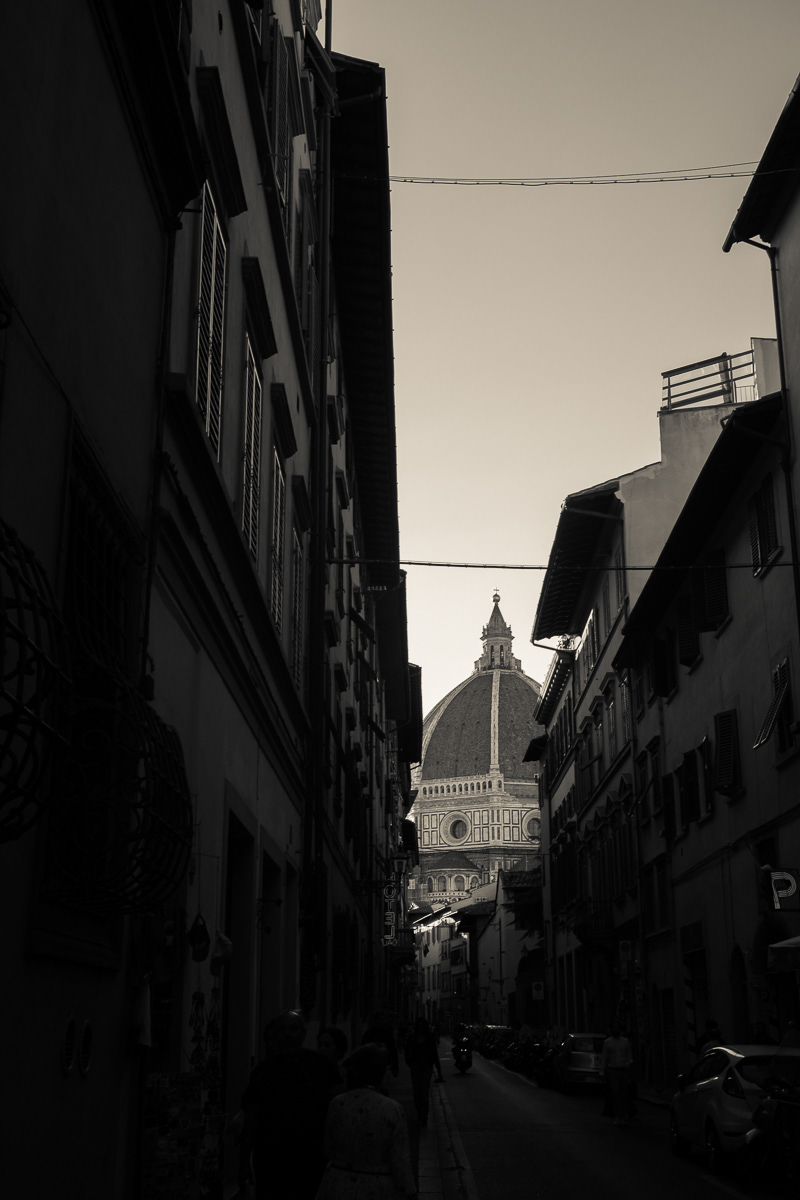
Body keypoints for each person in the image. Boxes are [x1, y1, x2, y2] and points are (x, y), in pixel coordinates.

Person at [238, 1010, 342, 1198]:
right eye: (283, 1029)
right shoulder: (262, 1072)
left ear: (303, 1034)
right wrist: (244, 1161)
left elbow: (338, 1108)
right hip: (271, 1161)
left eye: (293, 1029)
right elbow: (252, 1118)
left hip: (310, 1159)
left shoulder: (321, 1065)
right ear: (276, 1034)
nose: (287, 1034)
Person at [315, 1044, 417, 1199]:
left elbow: (328, 1148)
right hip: (377, 1187)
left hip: (338, 1184)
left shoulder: (337, 1103)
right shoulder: (392, 1109)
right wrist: (410, 1192)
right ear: (381, 1072)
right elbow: (400, 1160)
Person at [404, 1017, 442, 1126]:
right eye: (419, 1026)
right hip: (416, 1067)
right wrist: (410, 1063)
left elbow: (434, 1054)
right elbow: (407, 1051)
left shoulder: (429, 1038)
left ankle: (423, 1115)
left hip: (426, 1067)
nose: (420, 1028)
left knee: (424, 1092)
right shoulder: (412, 1038)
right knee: (417, 1093)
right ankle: (420, 1112)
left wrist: (438, 1070)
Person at [599, 1020, 634, 1127]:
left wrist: (629, 1067)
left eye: (617, 1027)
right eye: (614, 1027)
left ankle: (622, 1115)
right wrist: (602, 1071)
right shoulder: (607, 1042)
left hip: (623, 1070)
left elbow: (629, 1056)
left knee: (623, 1094)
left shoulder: (625, 1042)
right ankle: (617, 1115)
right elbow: (604, 1057)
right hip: (613, 1070)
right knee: (615, 1093)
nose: (616, 1029)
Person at [362, 1013, 399, 1079]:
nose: (381, 1021)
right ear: (375, 1020)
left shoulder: (387, 1033)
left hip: (385, 1062)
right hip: (372, 1063)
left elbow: (393, 1049)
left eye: (383, 1019)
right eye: (380, 1019)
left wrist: (395, 1066)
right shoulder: (369, 1033)